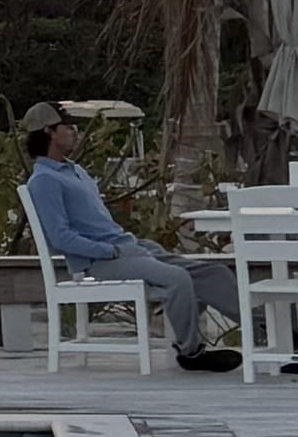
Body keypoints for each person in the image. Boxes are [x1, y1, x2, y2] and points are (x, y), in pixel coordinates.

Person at [19, 111, 237, 367]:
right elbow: (60, 237)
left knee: (214, 273)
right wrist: (106, 250)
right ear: (49, 131)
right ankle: (190, 352)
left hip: (129, 247)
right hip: (100, 260)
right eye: (68, 127)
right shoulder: (44, 180)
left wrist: (128, 245)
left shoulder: (76, 171)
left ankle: (277, 334)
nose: (75, 132)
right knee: (177, 279)